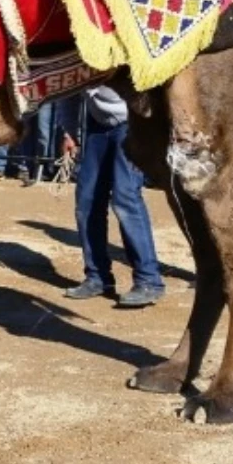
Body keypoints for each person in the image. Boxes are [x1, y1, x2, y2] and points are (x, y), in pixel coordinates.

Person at [58, 88, 166, 307]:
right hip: (98, 124)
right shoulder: (75, 56)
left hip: (133, 120)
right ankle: (98, 277)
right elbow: (68, 92)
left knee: (125, 196)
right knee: (86, 201)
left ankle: (149, 280)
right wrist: (68, 132)